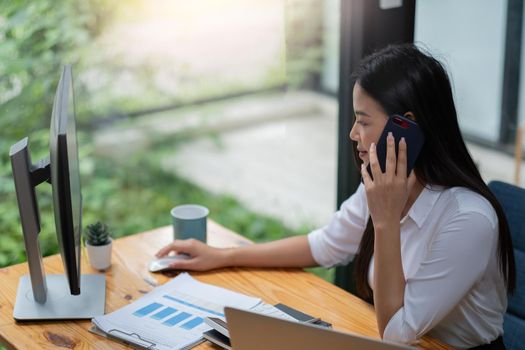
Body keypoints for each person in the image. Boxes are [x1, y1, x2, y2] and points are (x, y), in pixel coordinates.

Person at [155, 44, 516, 349]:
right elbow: (325, 246)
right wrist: (224, 256)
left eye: (363, 121)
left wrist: (386, 220)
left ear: (404, 125)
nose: (352, 134)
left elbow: (398, 332)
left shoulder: (468, 218)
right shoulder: (383, 183)